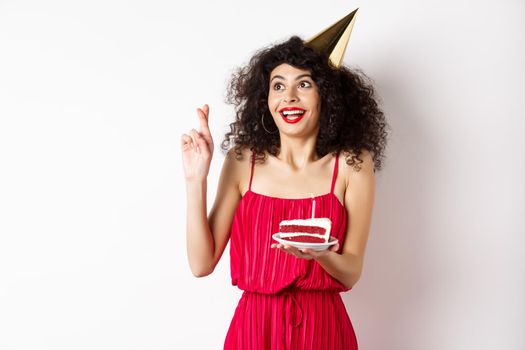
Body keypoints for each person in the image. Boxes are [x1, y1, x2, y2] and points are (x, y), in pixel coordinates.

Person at [181, 12, 388, 349]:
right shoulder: (242, 161)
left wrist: (317, 255)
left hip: (323, 328)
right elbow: (201, 264)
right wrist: (196, 179)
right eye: (278, 85)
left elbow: (350, 272)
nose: (289, 97)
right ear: (266, 100)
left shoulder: (351, 164)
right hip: (254, 327)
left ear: (327, 96)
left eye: (304, 84)